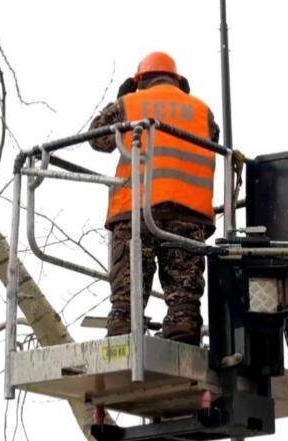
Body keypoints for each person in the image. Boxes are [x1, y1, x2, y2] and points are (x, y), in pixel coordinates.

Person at [88, 51, 220, 346]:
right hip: (188, 213)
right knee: (184, 295)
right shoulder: (202, 112)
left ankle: (122, 332)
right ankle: (183, 327)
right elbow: (214, 140)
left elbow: (97, 139)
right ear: (178, 80)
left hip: (137, 210)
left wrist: (118, 100)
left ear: (140, 81)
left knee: (127, 292)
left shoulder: (130, 104)